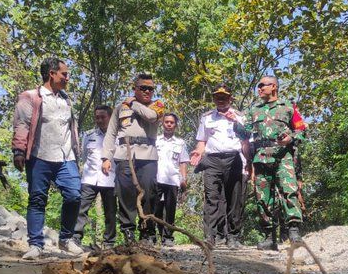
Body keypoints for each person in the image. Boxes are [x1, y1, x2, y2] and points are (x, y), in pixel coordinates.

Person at [12, 57, 83, 260]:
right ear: (52, 74)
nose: (67, 78)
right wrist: (18, 151)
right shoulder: (30, 97)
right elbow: (22, 124)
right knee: (37, 199)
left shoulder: (66, 99)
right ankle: (36, 245)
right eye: (64, 74)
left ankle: (66, 239)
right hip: (39, 156)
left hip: (65, 157)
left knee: (74, 195)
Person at [235, 75, 307, 250]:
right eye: (258, 86)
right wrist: (235, 124)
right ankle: (269, 237)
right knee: (263, 197)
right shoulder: (253, 111)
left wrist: (290, 138)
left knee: (288, 191)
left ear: (273, 87)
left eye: (262, 85)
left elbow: (302, 130)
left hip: (283, 156)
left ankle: (294, 233)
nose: (259, 89)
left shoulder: (289, 107)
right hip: (261, 157)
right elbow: (245, 134)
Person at [101, 73, 164, 242]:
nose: (147, 91)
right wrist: (106, 157)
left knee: (149, 193)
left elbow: (150, 117)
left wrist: (133, 103)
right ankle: (128, 231)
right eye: (143, 88)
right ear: (134, 88)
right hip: (124, 154)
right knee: (125, 194)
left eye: (150, 89)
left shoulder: (157, 105)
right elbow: (111, 133)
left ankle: (148, 232)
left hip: (148, 155)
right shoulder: (121, 108)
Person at [190, 83, 249, 249]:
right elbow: (202, 141)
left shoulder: (240, 116)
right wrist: (198, 152)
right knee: (212, 198)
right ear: (214, 99)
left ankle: (233, 236)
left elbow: (246, 139)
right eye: (217, 97)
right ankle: (210, 236)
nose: (221, 99)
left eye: (224, 97)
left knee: (235, 198)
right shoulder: (207, 117)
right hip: (212, 161)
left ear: (230, 98)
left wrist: (249, 163)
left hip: (234, 159)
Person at [73, 105, 117, 249]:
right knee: (81, 208)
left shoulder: (118, 137)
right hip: (90, 178)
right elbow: (84, 156)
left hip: (110, 180)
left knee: (110, 212)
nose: (99, 120)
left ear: (110, 118)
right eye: (97, 117)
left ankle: (109, 242)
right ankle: (76, 237)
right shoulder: (89, 135)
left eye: (103, 117)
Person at [148, 113, 189, 246]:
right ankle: (152, 235)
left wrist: (184, 180)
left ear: (175, 125)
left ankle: (168, 237)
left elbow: (183, 162)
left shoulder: (180, 143)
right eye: (167, 122)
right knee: (155, 209)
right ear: (162, 124)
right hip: (156, 179)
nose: (169, 124)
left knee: (170, 209)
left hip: (173, 181)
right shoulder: (155, 140)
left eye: (172, 122)